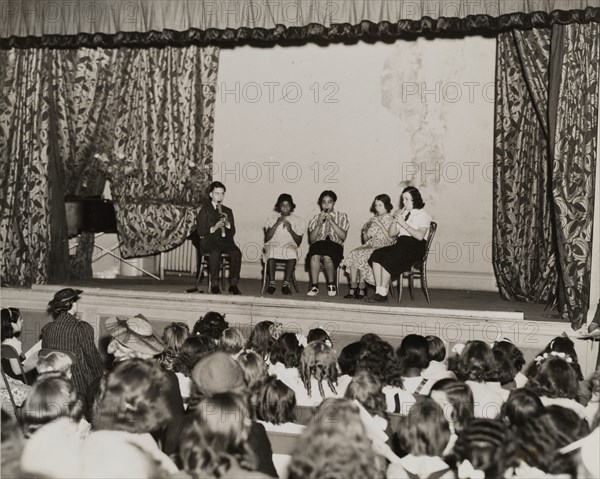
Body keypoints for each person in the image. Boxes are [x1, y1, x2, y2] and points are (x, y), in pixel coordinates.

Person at [368, 186, 431, 302]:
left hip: (415, 246)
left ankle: (383, 293)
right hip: (401, 244)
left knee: (389, 256)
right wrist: (395, 221)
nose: (403, 202)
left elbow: (420, 236)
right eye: (403, 199)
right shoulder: (404, 213)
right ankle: (378, 290)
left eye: (406, 199)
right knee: (377, 254)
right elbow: (392, 234)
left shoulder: (423, 215)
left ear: (415, 200)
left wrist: (403, 223)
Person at [41, 288, 104, 397]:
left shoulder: (47, 328)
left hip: (52, 382)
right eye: (75, 301)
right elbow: (92, 357)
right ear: (73, 304)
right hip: (79, 386)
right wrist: (100, 378)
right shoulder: (81, 327)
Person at [341, 194, 394, 299]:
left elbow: (390, 238)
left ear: (387, 206)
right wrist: (365, 232)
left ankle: (361, 287)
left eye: (380, 205)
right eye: (376, 205)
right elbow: (366, 240)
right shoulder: (373, 219)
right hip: (371, 244)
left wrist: (379, 224)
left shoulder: (391, 219)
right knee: (354, 253)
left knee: (362, 254)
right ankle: (353, 286)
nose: (377, 208)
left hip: (385, 246)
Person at [196, 181, 242, 295]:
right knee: (215, 252)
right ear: (211, 194)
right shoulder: (204, 210)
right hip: (208, 241)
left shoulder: (227, 211)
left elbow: (232, 232)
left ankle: (233, 284)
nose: (220, 196)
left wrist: (227, 224)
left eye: (222, 194)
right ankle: (215, 285)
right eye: (217, 193)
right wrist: (215, 227)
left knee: (236, 253)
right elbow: (200, 231)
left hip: (224, 241)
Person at [306, 190, 349, 297]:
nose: (326, 205)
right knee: (314, 256)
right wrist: (319, 224)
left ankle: (331, 284)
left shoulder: (342, 216)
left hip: (335, 244)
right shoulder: (315, 218)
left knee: (327, 256)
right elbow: (311, 239)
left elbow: (343, 237)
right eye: (324, 202)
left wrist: (332, 221)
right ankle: (314, 286)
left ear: (334, 203)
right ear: (320, 203)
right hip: (319, 243)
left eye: (330, 202)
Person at [263, 193, 304, 295]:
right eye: (282, 205)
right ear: (278, 207)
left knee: (292, 253)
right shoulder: (272, 219)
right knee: (271, 251)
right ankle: (272, 283)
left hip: (289, 245)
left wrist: (290, 229)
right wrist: (276, 224)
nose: (285, 208)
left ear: (292, 207)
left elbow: (298, 241)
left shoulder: (297, 220)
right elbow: (267, 238)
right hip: (274, 244)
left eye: (288, 205)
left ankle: (286, 284)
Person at [1, 307, 40, 382]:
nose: (22, 321)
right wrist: (35, 363)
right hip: (17, 379)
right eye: (20, 319)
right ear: (12, 324)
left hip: (11, 375)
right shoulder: (11, 344)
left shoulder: (5, 340)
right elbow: (17, 371)